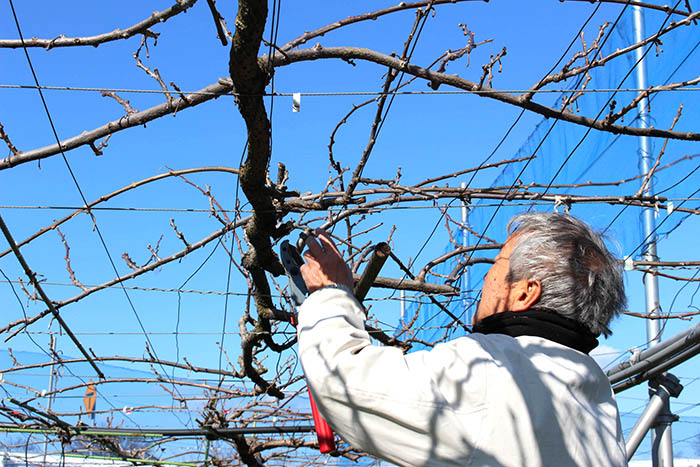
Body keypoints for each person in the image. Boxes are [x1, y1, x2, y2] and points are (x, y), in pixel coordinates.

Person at [297, 212, 627, 466]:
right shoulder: (594, 391)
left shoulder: (493, 368)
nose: (486, 278)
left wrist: (330, 295)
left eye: (497, 264)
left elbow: (341, 380)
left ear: (526, 292)